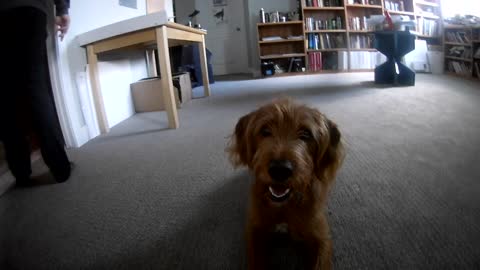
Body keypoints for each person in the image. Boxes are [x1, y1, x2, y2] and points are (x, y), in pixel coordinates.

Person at [0, 0, 72, 186]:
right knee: (35, 88)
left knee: (6, 96)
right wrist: (63, 9)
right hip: (29, 10)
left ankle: (21, 174)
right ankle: (60, 168)